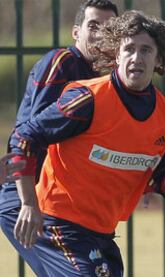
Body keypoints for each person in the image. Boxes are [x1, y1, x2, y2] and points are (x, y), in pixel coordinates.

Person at [5, 10, 165, 277]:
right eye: (129, 49)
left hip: (102, 234)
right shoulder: (87, 98)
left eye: (146, 50)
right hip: (59, 224)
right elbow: (23, 138)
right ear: (116, 55)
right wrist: (28, 203)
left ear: (159, 60)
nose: (136, 57)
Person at [0, 1, 118, 275]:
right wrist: (28, 202)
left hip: (62, 206)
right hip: (30, 197)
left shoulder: (106, 80)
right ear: (76, 32)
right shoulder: (63, 62)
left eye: (109, 28)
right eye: (93, 26)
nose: (100, 34)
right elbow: (28, 135)